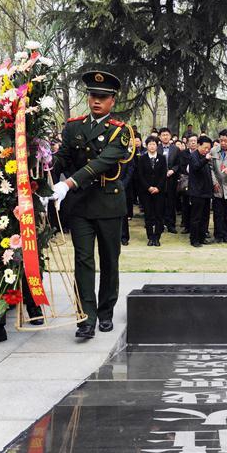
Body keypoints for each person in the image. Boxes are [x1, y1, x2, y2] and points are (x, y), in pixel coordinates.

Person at [50, 70, 133, 340]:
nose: (96, 101)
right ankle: (86, 317)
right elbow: (61, 159)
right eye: (92, 96)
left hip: (108, 203)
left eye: (102, 97)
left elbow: (101, 163)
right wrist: (44, 174)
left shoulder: (121, 132)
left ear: (112, 101)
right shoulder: (74, 126)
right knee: (83, 260)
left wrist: (68, 183)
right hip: (81, 207)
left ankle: (105, 311)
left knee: (109, 260)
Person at [136, 136, 167, 246]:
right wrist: (148, 187)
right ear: (146, 146)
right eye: (150, 144)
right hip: (146, 191)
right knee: (148, 215)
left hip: (159, 191)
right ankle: (150, 237)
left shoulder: (162, 158)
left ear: (157, 145)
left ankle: (157, 237)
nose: (152, 146)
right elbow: (140, 175)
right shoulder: (142, 159)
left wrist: (158, 187)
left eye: (154, 144)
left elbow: (164, 175)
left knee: (159, 215)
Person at [186, 135, 215, 247]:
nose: (207, 150)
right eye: (205, 147)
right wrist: (206, 159)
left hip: (206, 192)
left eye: (209, 148)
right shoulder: (194, 156)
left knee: (205, 217)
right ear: (198, 145)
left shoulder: (205, 157)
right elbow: (196, 167)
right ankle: (194, 239)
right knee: (196, 217)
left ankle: (202, 237)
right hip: (197, 192)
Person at [157, 127, 181, 234]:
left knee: (171, 203)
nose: (165, 137)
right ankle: (160, 225)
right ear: (159, 137)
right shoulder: (156, 148)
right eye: (163, 135)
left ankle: (171, 225)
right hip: (159, 181)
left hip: (171, 180)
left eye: (167, 135)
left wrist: (173, 170)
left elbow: (178, 164)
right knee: (160, 203)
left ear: (170, 136)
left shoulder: (175, 149)